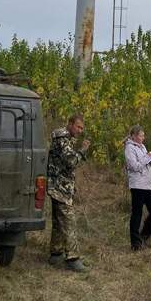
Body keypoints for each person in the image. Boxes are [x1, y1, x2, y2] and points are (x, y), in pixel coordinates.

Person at [47, 114, 91, 272]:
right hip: (59, 187)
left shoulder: (65, 138)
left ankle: (55, 253)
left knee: (59, 222)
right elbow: (70, 161)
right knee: (69, 221)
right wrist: (83, 150)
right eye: (78, 127)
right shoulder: (63, 138)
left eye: (82, 128)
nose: (80, 130)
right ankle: (73, 258)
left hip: (60, 186)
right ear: (70, 124)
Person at [124, 125, 151, 251]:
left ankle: (143, 237)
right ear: (133, 136)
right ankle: (135, 243)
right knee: (137, 214)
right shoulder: (129, 148)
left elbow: (145, 163)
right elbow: (135, 166)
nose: (143, 138)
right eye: (140, 135)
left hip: (148, 185)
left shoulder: (142, 146)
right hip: (137, 185)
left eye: (143, 135)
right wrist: (148, 157)